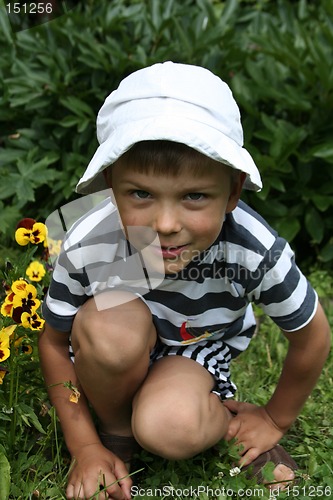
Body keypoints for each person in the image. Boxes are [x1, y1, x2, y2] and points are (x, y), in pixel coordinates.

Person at [38, 61, 331, 500]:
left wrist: (274, 419)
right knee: (105, 325)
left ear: (233, 191)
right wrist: (84, 445)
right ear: (110, 185)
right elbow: (54, 342)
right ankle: (115, 436)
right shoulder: (86, 241)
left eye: (195, 195)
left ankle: (218, 415)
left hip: (194, 353)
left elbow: (312, 336)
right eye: (141, 193)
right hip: (115, 348)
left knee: (168, 426)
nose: (167, 223)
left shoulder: (251, 249)